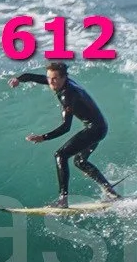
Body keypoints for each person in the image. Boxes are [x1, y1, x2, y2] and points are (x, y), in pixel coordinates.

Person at [12, 59, 121, 206]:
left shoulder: (68, 96)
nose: (50, 82)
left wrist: (43, 137)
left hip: (95, 129)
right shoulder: (62, 82)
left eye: (54, 78)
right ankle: (111, 193)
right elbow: (37, 78)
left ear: (64, 77)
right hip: (100, 127)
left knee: (60, 155)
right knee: (80, 161)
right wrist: (19, 79)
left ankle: (63, 200)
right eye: (49, 78)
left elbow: (66, 127)